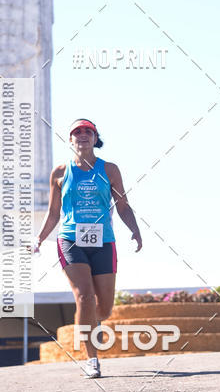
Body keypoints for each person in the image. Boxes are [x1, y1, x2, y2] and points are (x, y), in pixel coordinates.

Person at [35, 119, 142, 377]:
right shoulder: (60, 172)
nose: (82, 135)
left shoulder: (110, 169)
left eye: (88, 132)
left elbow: (123, 205)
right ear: (71, 140)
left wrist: (135, 230)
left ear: (95, 139)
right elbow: (53, 213)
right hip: (71, 239)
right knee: (84, 296)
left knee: (103, 308)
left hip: (104, 241)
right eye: (77, 132)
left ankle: (91, 323)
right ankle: (91, 359)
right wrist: (39, 239)